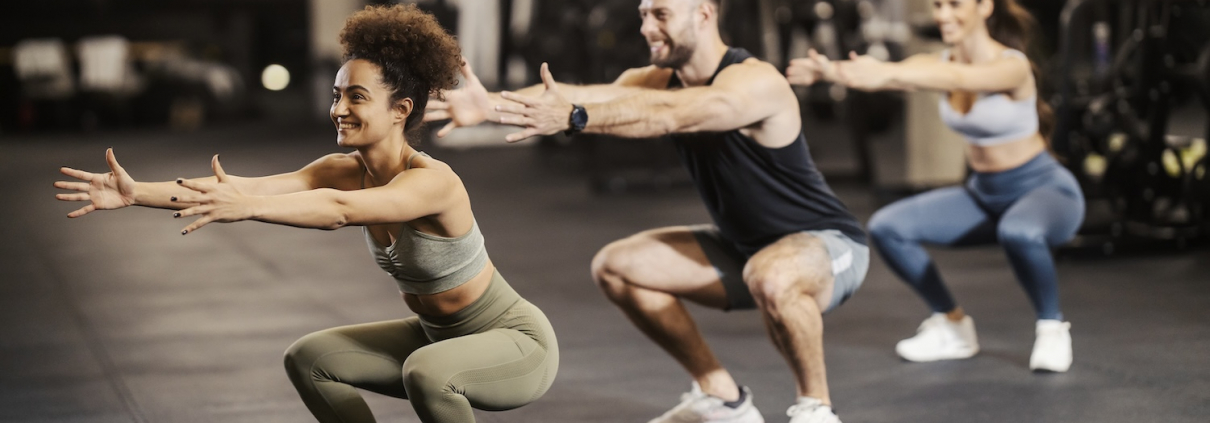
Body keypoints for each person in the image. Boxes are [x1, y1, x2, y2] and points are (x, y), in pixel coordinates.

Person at [52, 5, 558, 422]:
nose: (339, 108)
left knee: (426, 373)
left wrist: (247, 209)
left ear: (401, 110)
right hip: (435, 337)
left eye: (356, 97)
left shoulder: (434, 181)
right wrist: (137, 192)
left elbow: (338, 211)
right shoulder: (339, 168)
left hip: (513, 343)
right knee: (311, 359)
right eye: (338, 95)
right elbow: (239, 186)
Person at [427, 0, 867, 422]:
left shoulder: (755, 81)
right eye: (642, 15)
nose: (646, 28)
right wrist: (490, 107)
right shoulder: (658, 79)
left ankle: (817, 408)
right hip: (744, 251)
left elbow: (672, 115)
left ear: (704, 14)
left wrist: (576, 118)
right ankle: (723, 398)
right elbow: (579, 94)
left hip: (825, 245)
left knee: (772, 274)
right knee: (619, 266)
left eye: (661, 14)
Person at [786, 0, 1083, 372]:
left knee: (1019, 231)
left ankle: (1052, 327)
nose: (942, 15)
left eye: (954, 5)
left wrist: (891, 74)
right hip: (984, 195)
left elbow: (958, 79)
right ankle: (953, 324)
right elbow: (895, 74)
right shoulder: (937, 64)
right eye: (938, 5)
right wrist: (830, 70)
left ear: (985, 7)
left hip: (1045, 192)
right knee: (888, 227)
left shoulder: (1011, 66)